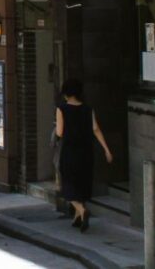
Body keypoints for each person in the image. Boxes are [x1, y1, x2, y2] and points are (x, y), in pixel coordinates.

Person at [56, 78, 112, 232]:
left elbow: (59, 132)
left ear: (66, 93)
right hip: (86, 151)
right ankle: (77, 218)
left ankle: (81, 210)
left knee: (67, 182)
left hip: (70, 151)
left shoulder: (62, 109)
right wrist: (106, 150)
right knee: (82, 182)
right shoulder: (88, 109)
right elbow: (96, 129)